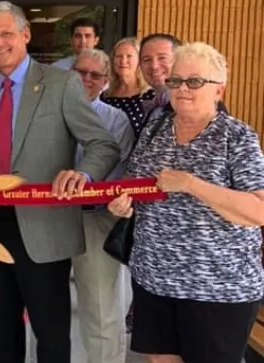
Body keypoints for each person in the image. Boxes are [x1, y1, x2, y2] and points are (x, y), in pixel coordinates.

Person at [0, 1, 120, 363]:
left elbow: (103, 144)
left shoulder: (61, 83)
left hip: (44, 230)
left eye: (6, 34)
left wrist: (82, 175)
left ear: (25, 35)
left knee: (50, 337)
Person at [108, 42, 264, 363]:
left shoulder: (236, 137)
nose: (182, 89)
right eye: (176, 81)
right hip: (154, 279)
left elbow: (258, 210)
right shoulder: (156, 127)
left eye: (195, 82)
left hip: (218, 287)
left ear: (219, 90)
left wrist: (192, 185)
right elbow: (137, 185)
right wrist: (123, 203)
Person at [70, 49, 134, 363]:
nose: (86, 79)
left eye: (95, 75)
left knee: (100, 308)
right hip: (46, 220)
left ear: (106, 82)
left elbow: (118, 172)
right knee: (40, 308)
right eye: (80, 71)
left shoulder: (115, 120)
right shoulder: (47, 113)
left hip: (94, 220)